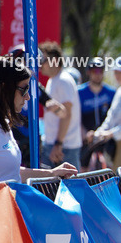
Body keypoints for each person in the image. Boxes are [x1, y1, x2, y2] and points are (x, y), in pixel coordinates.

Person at [0, 57, 76, 186]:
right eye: (24, 90)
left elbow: (13, 173)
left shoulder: (0, 121)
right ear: (3, 88)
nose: (27, 97)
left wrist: (52, 173)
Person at [38, 41, 83, 169]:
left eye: (43, 60)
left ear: (55, 60)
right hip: (59, 145)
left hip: (64, 148)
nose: (40, 64)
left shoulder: (63, 80)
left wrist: (58, 144)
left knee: (70, 188)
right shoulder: (54, 80)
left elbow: (66, 115)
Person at [78, 56, 116, 170]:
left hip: (106, 138)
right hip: (87, 138)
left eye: (101, 70)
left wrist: (107, 133)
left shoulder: (111, 93)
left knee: (110, 168)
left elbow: (115, 116)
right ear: (89, 72)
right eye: (95, 70)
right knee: (83, 169)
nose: (98, 74)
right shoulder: (79, 92)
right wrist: (84, 133)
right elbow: (76, 117)